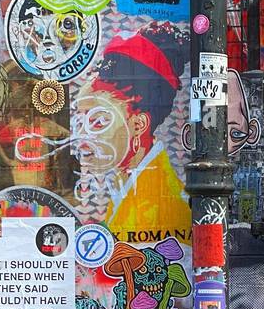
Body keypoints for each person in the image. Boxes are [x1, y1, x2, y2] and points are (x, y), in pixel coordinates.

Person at [72, 22, 190, 238]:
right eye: (79, 123)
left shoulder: (159, 202)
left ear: (138, 125)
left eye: (98, 122)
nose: (82, 139)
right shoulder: (128, 182)